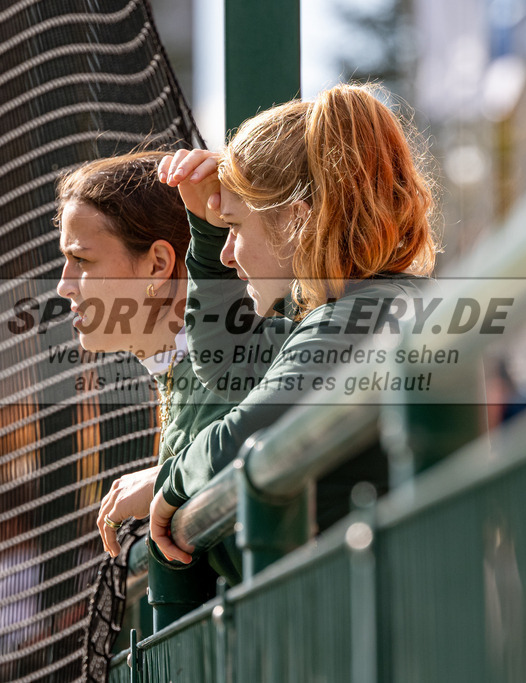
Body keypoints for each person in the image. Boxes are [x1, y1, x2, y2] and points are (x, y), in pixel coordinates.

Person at [149, 84, 439, 563]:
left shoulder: (362, 315)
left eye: (235, 228)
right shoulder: (363, 307)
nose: (227, 253)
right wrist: (204, 225)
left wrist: (170, 480)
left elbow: (250, 428)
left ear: (293, 222)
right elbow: (231, 362)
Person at [54, 151, 235, 563]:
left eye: (81, 260)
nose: (64, 285)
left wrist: (167, 479)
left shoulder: (231, 366)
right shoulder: (175, 371)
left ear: (157, 264)